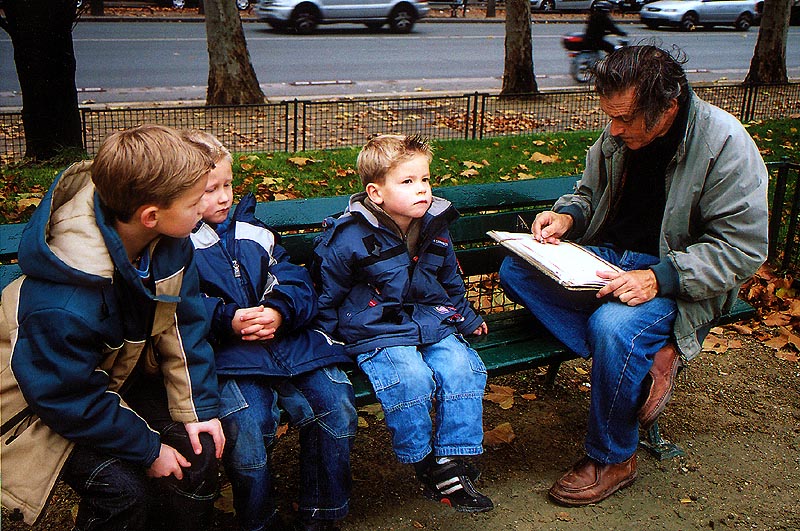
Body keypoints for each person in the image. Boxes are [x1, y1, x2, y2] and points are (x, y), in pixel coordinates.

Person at [498, 45, 769, 506]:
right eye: (610, 116)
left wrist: (659, 277)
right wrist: (568, 219)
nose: (614, 129)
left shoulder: (725, 144)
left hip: (679, 280)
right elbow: (587, 194)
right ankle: (646, 361)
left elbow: (742, 248)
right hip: (611, 260)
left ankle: (614, 457)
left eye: (624, 118)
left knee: (612, 326)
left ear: (669, 105)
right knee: (516, 269)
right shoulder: (620, 135)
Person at [0, 124, 226, 531]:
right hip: (38, 407)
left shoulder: (170, 243)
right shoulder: (64, 301)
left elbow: (182, 324)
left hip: (113, 380)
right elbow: (65, 395)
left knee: (199, 450)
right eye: (196, 202)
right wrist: (148, 448)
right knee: (121, 491)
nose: (203, 210)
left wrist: (197, 410)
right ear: (151, 216)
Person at [311, 134, 493, 513]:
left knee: (462, 368)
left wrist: (468, 316)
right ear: (375, 193)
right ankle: (421, 458)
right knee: (411, 378)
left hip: (430, 319)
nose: (422, 190)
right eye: (408, 182)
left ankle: (451, 459)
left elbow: (450, 280)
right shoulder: (349, 237)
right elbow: (328, 292)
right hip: (376, 327)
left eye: (425, 180)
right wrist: (325, 340)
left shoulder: (434, 225)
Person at [185, 131, 357, 531]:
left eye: (228, 185)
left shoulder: (254, 232)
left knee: (337, 406)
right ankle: (258, 519)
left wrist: (278, 311)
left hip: (292, 345)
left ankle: (323, 512)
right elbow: (179, 305)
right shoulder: (178, 244)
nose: (224, 197)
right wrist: (225, 318)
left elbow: (294, 281)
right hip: (228, 357)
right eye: (210, 190)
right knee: (248, 427)